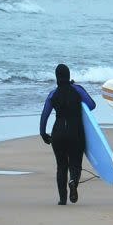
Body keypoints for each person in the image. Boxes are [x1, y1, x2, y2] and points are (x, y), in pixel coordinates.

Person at [40, 64, 96, 205]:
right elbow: (92, 104)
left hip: (58, 132)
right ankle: (73, 182)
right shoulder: (77, 90)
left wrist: (42, 132)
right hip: (75, 130)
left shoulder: (53, 94)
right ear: (69, 75)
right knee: (75, 163)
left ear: (57, 77)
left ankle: (62, 199)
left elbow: (44, 115)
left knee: (61, 165)